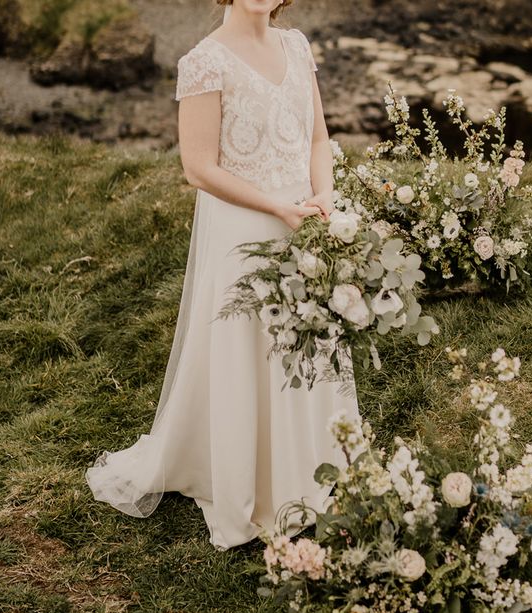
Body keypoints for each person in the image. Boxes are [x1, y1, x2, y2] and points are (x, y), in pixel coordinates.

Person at [85, 0, 362, 550]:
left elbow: (315, 140)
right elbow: (198, 167)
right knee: (250, 349)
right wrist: (276, 207)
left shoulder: (298, 46)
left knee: (306, 341)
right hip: (244, 228)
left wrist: (324, 196)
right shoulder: (204, 62)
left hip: (304, 221)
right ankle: (252, 481)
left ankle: (316, 464)